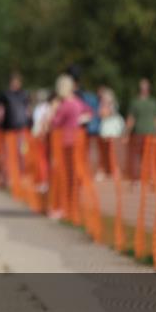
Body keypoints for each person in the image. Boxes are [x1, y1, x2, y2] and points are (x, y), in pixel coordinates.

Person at [47, 73, 92, 219]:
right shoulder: (78, 102)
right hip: (78, 141)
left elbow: (54, 123)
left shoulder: (65, 104)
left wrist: (53, 111)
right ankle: (72, 206)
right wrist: (81, 119)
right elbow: (90, 112)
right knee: (73, 175)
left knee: (64, 176)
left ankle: (63, 207)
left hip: (65, 143)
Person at [125, 78, 156, 179]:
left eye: (145, 87)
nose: (144, 89)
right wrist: (127, 133)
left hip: (151, 134)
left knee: (151, 156)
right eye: (142, 87)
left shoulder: (153, 102)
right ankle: (139, 178)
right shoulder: (135, 102)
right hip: (138, 134)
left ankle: (151, 178)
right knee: (138, 157)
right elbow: (131, 119)